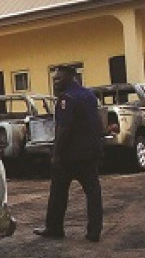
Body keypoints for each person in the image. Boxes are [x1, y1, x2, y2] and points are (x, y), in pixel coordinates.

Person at [34, 65, 105, 241]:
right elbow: (97, 120)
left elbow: (64, 128)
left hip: (71, 155)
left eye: (59, 78)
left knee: (58, 192)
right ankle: (94, 231)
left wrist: (56, 154)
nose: (56, 82)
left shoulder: (67, 98)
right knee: (93, 192)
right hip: (91, 152)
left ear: (71, 77)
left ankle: (54, 228)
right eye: (54, 79)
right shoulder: (89, 95)